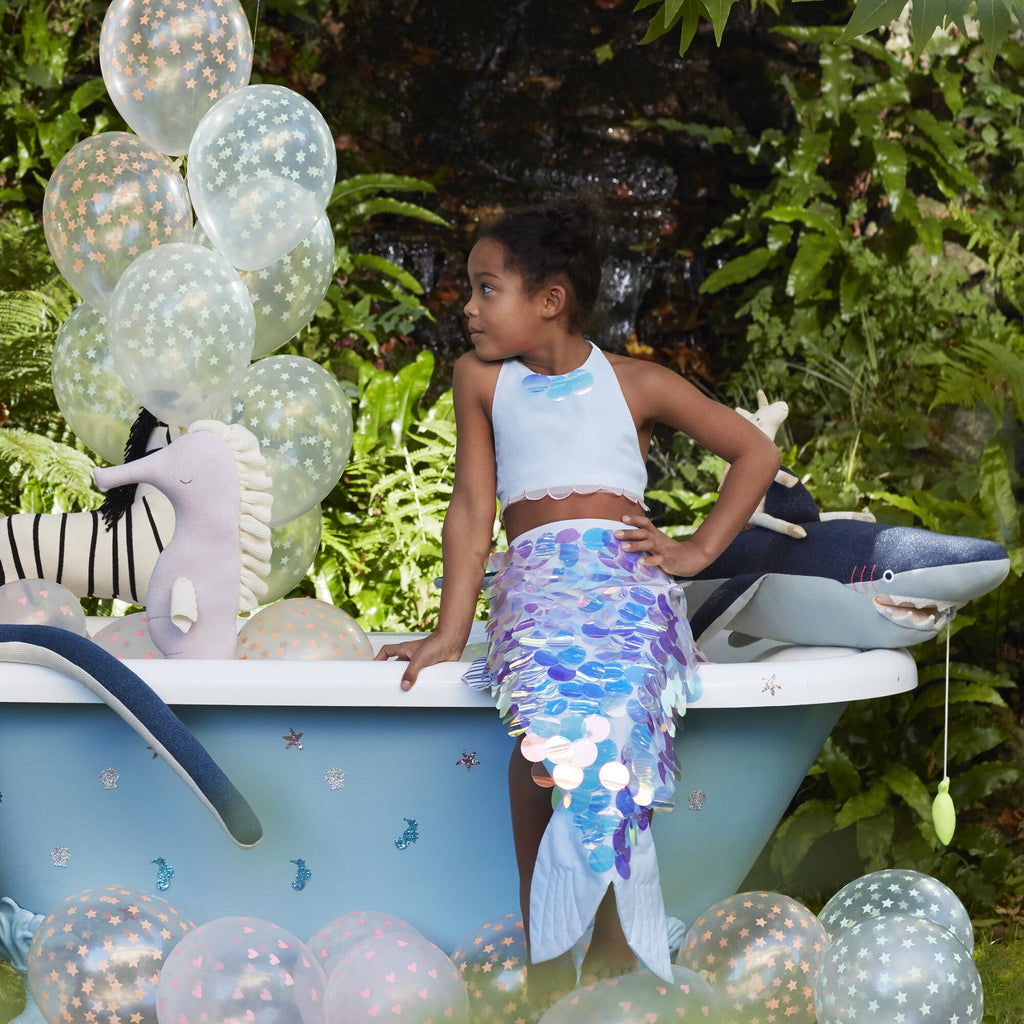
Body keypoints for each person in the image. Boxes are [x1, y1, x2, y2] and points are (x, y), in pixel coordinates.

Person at [375, 195, 781, 1008]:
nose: (468, 306)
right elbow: (471, 509)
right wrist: (453, 631)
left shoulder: (637, 383)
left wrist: (696, 550)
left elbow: (754, 452)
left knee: (623, 738)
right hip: (536, 591)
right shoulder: (482, 382)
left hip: (627, 592)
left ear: (549, 300)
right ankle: (549, 956)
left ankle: (613, 951)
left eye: (487, 288)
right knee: (539, 761)